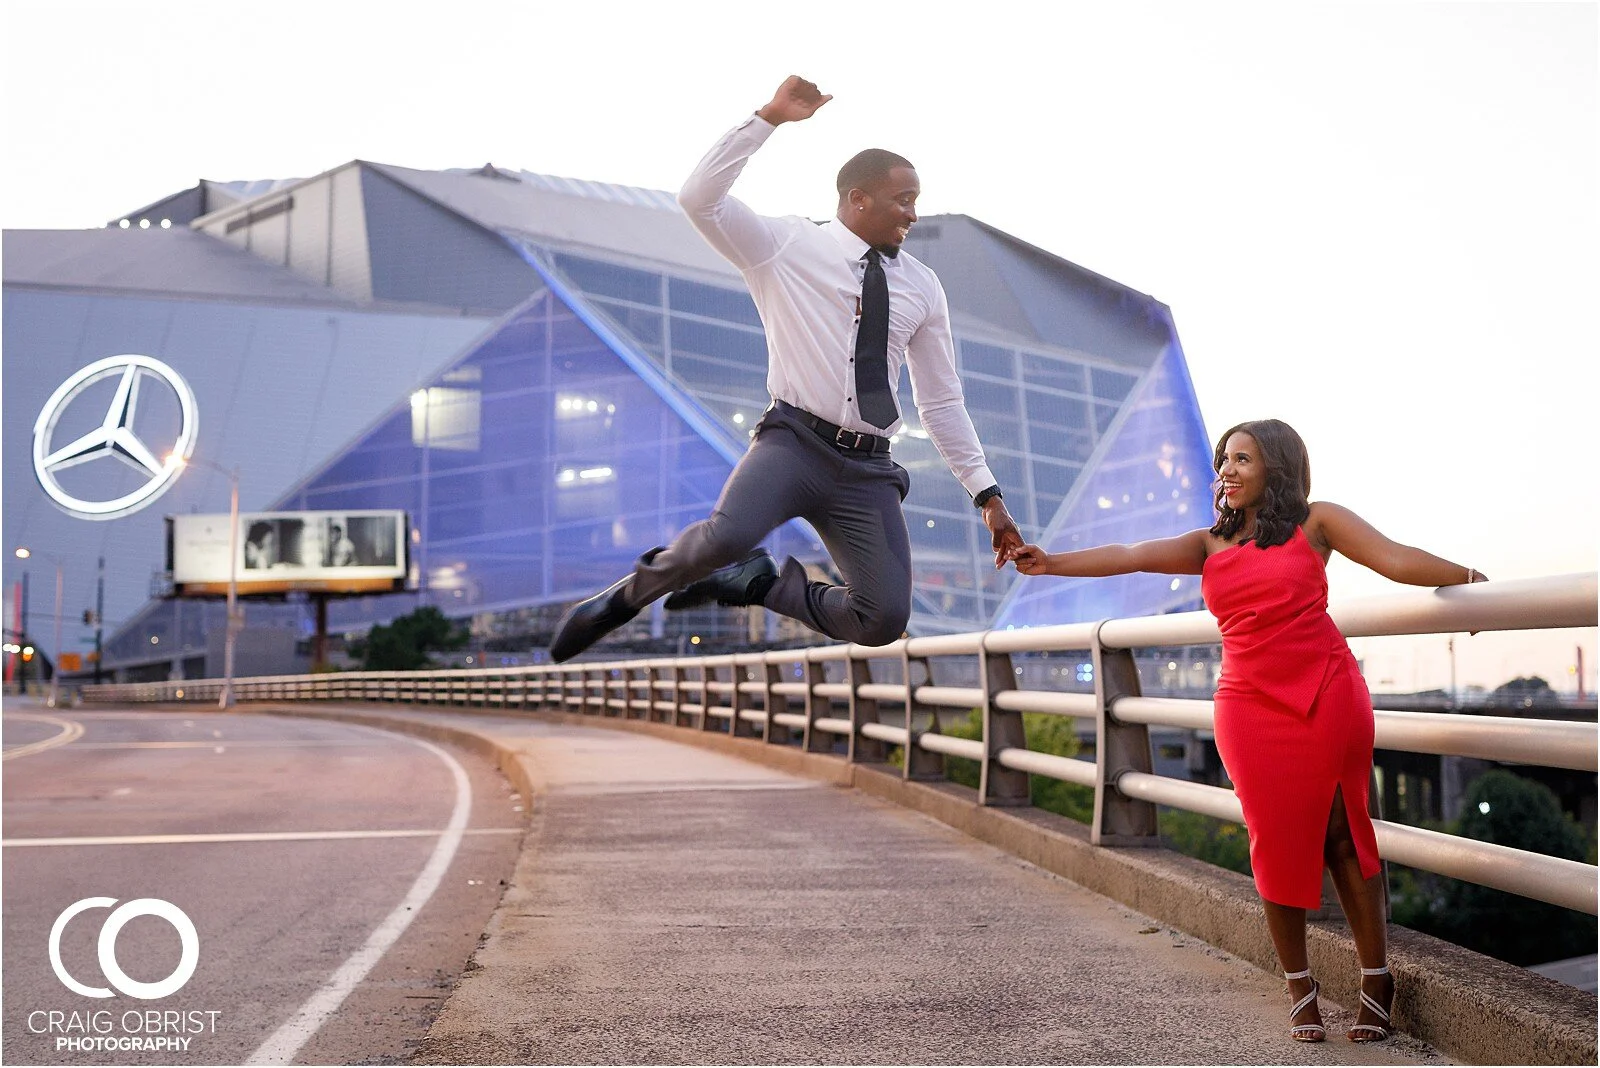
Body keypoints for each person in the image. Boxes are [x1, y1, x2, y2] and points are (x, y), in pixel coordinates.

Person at [1011, 418, 1485, 1043]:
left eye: (1242, 459)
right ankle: (1299, 985)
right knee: (1273, 841)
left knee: (1344, 835)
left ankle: (1376, 978)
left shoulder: (1319, 523)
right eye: (1223, 460)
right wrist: (1049, 564)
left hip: (1327, 691)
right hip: (1247, 704)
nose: (1227, 471)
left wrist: (1470, 582)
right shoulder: (1208, 544)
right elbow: (1128, 557)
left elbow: (1395, 560)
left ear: (1277, 469)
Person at [550, 75, 1023, 662]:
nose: (913, 212)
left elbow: (942, 402)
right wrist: (769, 117)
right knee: (723, 538)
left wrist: (988, 496)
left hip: (867, 468)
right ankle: (621, 602)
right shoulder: (785, 246)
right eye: (903, 199)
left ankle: (762, 584)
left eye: (916, 199)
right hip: (794, 442)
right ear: (857, 199)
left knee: (883, 618)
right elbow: (700, 198)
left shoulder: (923, 288)